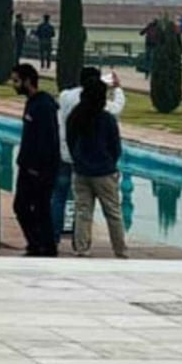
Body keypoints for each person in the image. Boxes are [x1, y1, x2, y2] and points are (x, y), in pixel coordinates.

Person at [53, 67, 125, 243]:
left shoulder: (65, 96)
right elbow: (116, 109)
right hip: (95, 164)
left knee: (64, 200)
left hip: (67, 155)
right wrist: (117, 88)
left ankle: (57, 238)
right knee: (111, 212)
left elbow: (63, 124)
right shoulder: (96, 103)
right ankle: (118, 248)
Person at [9, 63, 59, 256]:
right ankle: (36, 243)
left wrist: (38, 167)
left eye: (16, 81)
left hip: (39, 168)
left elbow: (48, 139)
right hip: (27, 165)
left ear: (28, 81)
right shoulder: (31, 102)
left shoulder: (44, 105)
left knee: (40, 207)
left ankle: (45, 246)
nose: (14, 85)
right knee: (22, 206)